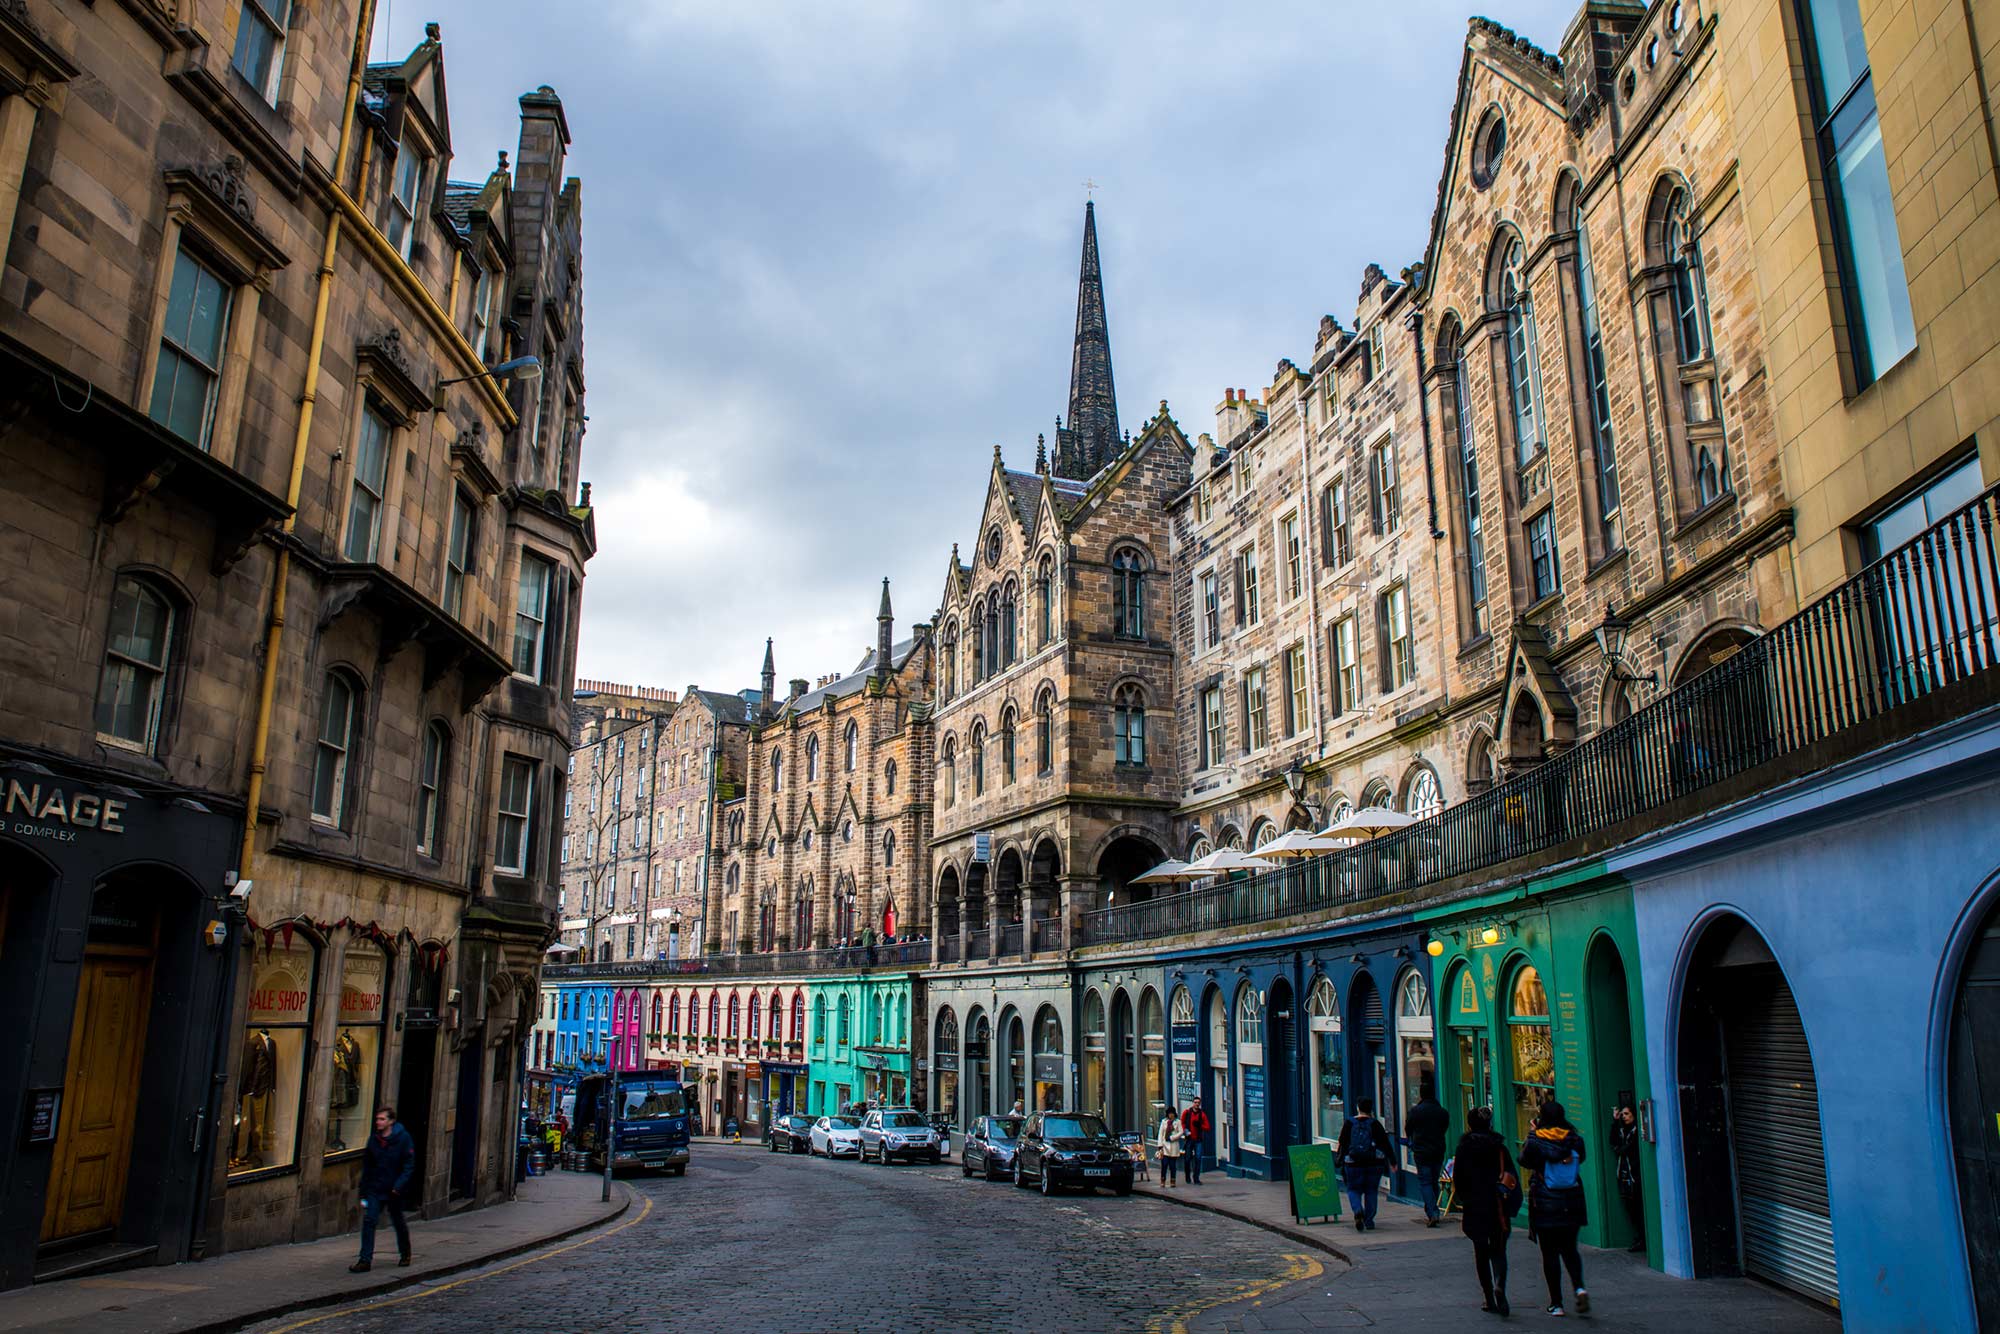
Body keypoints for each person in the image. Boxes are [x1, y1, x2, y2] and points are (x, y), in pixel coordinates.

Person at [1521, 1100, 1590, 1317]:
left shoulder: (1536, 1140)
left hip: (1545, 1201)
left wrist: (1532, 1134)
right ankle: (1579, 1288)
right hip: (1571, 1200)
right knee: (1570, 1249)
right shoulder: (1574, 1139)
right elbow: (1582, 1158)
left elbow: (1524, 1160)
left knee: (1549, 1253)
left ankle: (1557, 1303)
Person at [1454, 1106, 1515, 1316]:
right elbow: (1511, 1176)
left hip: (1475, 1205)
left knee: (1480, 1252)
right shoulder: (1499, 1148)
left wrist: (1465, 1199)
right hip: (1497, 1206)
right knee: (1499, 1250)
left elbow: (1458, 1179)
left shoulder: (1463, 1148)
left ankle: (1489, 1297)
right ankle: (1500, 1284)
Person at [350, 1105, 415, 1273]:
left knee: (398, 1222)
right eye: (377, 1119)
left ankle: (405, 1253)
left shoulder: (403, 1139)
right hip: (375, 1188)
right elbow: (368, 1167)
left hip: (393, 1190)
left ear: (391, 1121)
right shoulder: (374, 1140)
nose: (378, 1122)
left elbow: (408, 1165)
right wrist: (363, 1191)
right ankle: (365, 1260)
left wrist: (398, 1186)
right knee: (369, 1221)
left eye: (382, 1119)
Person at [1336, 1098, 1395, 1231]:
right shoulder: (1375, 1124)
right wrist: (1393, 1161)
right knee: (1371, 1190)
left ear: (1358, 1108)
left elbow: (1342, 1142)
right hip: (1374, 1163)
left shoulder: (1349, 1123)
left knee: (1353, 1189)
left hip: (1353, 1163)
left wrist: (1340, 1159)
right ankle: (1369, 1221)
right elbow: (1385, 1144)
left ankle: (1358, 1210)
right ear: (1371, 1109)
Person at [1405, 1084, 1451, 1226]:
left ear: (1421, 1094)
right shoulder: (1442, 1112)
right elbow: (1444, 1128)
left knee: (1425, 1181)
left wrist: (1413, 1141)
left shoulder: (1415, 1111)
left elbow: (1408, 1129)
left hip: (1421, 1151)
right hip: (1438, 1150)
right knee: (1433, 1181)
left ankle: (1432, 1212)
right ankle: (1432, 1209)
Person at [1610, 1104, 1645, 1252]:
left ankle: (1642, 1238)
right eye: (1622, 1114)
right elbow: (1613, 1142)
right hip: (1624, 1176)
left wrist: (1620, 1149)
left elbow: (1625, 1149)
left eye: (1627, 1114)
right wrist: (1615, 1121)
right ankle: (1639, 1237)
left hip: (1634, 1175)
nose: (1624, 1117)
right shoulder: (1623, 1131)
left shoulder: (1636, 1131)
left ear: (1634, 1115)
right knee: (1631, 1209)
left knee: (1637, 1208)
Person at [1180, 1096, 1211, 1185]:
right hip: (1189, 1139)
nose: (1197, 1104)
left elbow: (1208, 1127)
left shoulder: (1202, 1114)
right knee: (1187, 1159)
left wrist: (1200, 1125)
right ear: (1193, 1103)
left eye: (1198, 1103)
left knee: (1198, 1159)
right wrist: (1185, 1130)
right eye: (1195, 1102)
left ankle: (1196, 1178)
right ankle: (1187, 1176)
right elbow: (1182, 1122)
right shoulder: (1187, 1112)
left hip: (1198, 1140)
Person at [1156, 1104, 1183, 1188]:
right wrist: (1160, 1145)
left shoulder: (1178, 1122)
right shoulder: (1164, 1121)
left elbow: (1181, 1132)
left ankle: (1173, 1180)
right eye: (1169, 1113)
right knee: (1164, 1165)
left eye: (1172, 1113)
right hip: (1165, 1146)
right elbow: (1160, 1134)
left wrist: (1172, 1137)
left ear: (1174, 1114)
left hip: (1174, 1146)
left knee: (1172, 1166)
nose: (1171, 1115)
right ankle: (1163, 1180)